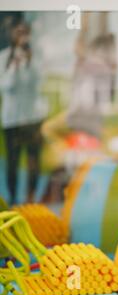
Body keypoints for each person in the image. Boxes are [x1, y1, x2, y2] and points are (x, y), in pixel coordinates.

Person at [0, 21, 46, 204]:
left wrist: (29, 61)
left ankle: (31, 198)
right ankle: (12, 198)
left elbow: (38, 84)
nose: (22, 37)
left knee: (34, 160)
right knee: (13, 162)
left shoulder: (36, 57)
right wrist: (14, 67)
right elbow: (5, 87)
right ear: (12, 35)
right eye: (19, 33)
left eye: (25, 33)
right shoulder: (4, 58)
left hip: (32, 117)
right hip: (12, 119)